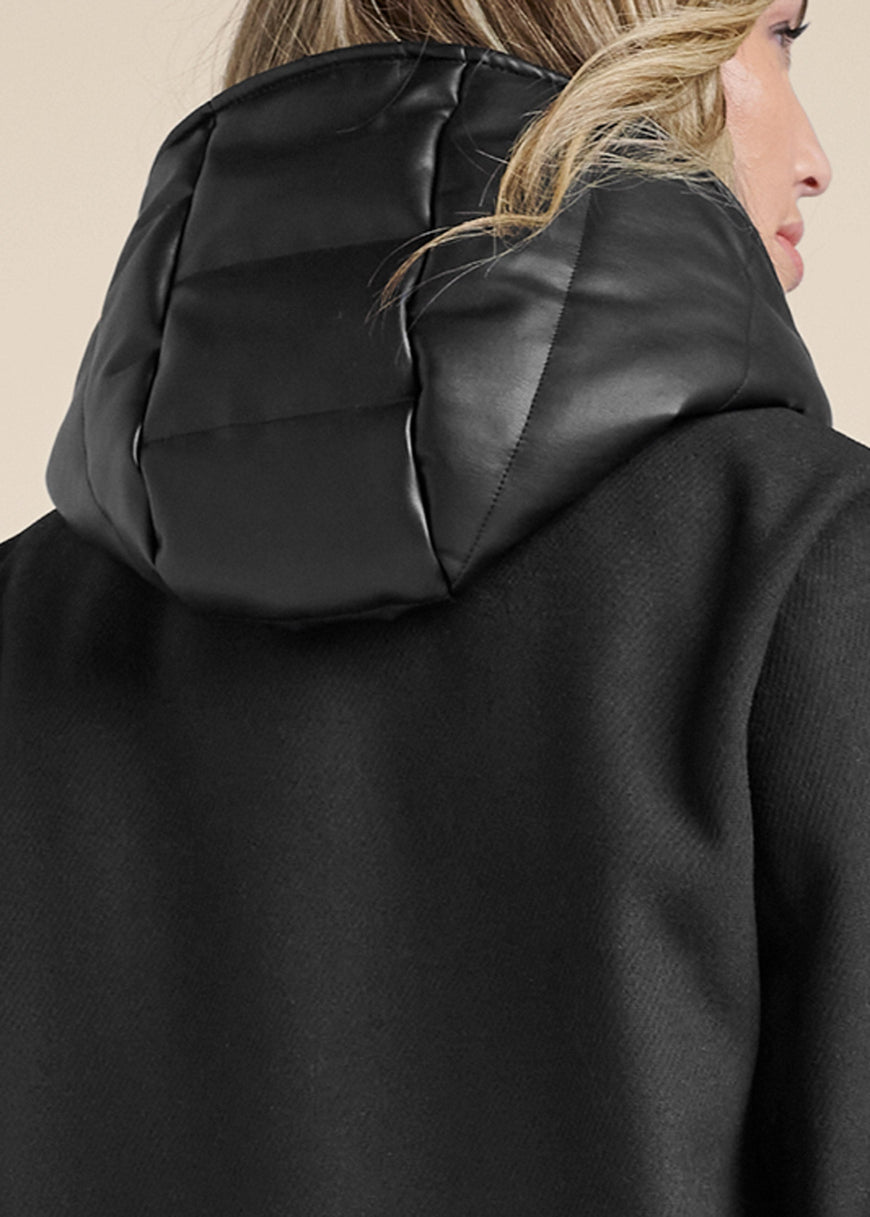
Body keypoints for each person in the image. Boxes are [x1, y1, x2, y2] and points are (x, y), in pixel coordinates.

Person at [1, 0, 866, 1212]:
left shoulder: (22, 622)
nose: (817, 157)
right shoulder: (812, 570)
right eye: (778, 33)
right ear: (630, 47)